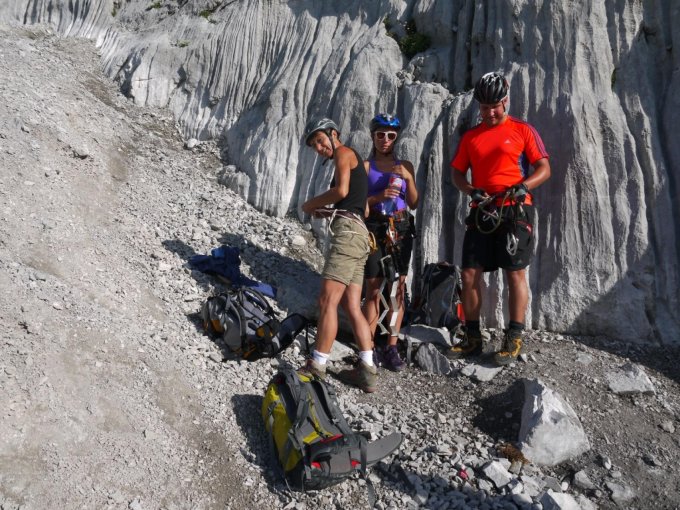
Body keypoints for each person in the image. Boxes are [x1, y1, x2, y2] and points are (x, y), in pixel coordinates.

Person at [448, 72, 551, 366]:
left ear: (505, 101)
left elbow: (544, 168)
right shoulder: (471, 137)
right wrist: (470, 190)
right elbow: (457, 173)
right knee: (469, 274)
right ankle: (472, 337)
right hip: (483, 208)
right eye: (484, 107)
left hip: (515, 209)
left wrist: (524, 186)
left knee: (514, 273)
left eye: (494, 106)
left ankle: (514, 337)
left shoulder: (523, 130)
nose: (490, 112)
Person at [298, 117, 378, 393]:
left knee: (327, 300)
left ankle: (317, 364)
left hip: (347, 236)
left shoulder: (344, 152)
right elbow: (361, 208)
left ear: (334, 134)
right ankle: (367, 370)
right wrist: (331, 211)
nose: (319, 148)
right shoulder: (356, 163)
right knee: (351, 306)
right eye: (314, 146)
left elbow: (341, 190)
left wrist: (310, 205)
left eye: (321, 141)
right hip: (360, 235)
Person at [361, 114, 418, 371]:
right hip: (374, 227)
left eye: (391, 135)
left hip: (401, 226)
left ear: (396, 138)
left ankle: (392, 346)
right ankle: (369, 345)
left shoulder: (405, 165)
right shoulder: (365, 167)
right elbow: (358, 203)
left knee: (397, 289)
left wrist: (409, 178)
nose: (385, 139)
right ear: (373, 136)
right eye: (380, 134)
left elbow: (414, 202)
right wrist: (379, 196)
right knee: (373, 288)